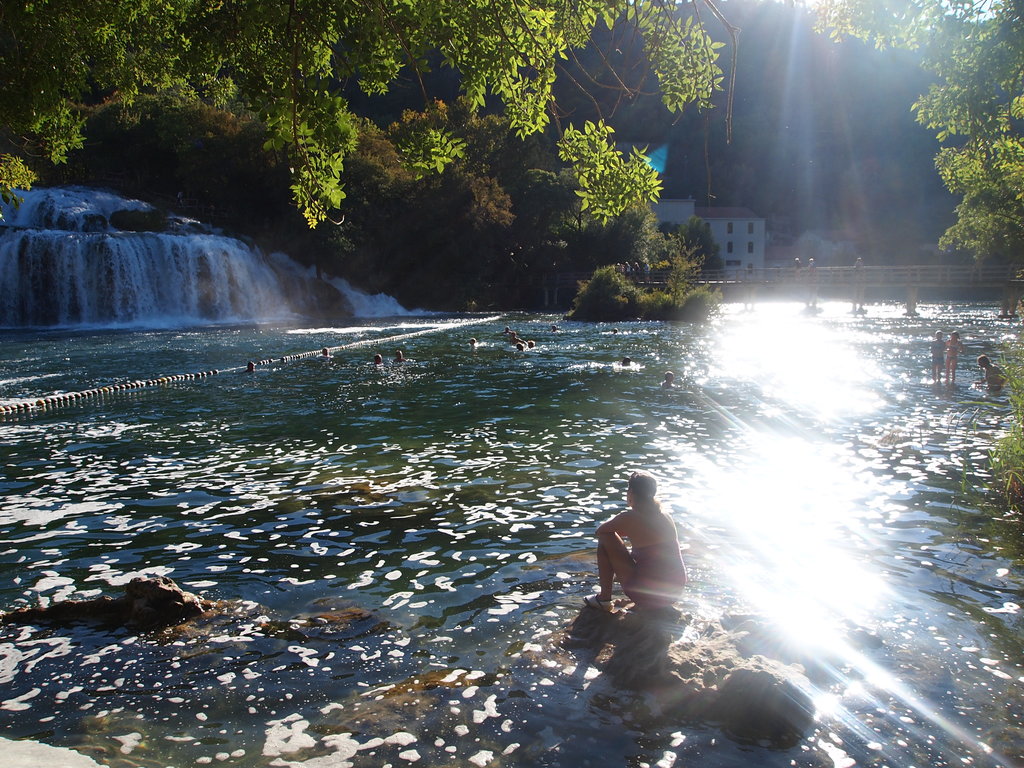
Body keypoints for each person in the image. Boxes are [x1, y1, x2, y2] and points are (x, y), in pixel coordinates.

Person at [585, 470, 687, 612]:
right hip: (674, 593)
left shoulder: (629, 517)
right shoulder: (665, 516)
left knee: (605, 538)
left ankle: (604, 599)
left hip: (648, 596)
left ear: (631, 492)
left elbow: (600, 531)